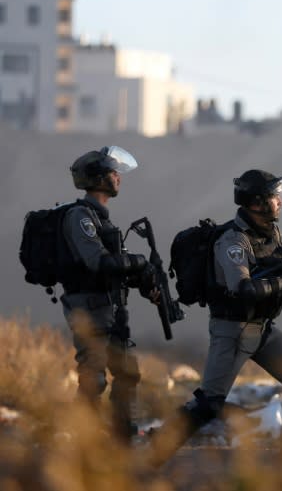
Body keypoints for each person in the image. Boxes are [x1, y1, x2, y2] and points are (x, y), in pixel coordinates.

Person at [149, 169, 282, 465]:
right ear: (256, 203)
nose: (280, 202)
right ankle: (150, 457)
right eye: (274, 197)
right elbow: (245, 290)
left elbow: (280, 277)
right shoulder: (232, 241)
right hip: (234, 330)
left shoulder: (270, 233)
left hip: (263, 329)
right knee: (209, 404)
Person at [61, 146, 159, 443]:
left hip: (110, 306)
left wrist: (145, 280)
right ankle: (84, 440)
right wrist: (136, 262)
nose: (118, 177)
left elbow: (116, 265)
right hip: (87, 306)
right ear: (98, 178)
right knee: (94, 376)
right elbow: (98, 261)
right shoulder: (80, 217)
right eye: (112, 172)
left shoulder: (101, 219)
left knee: (127, 372)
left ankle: (121, 435)